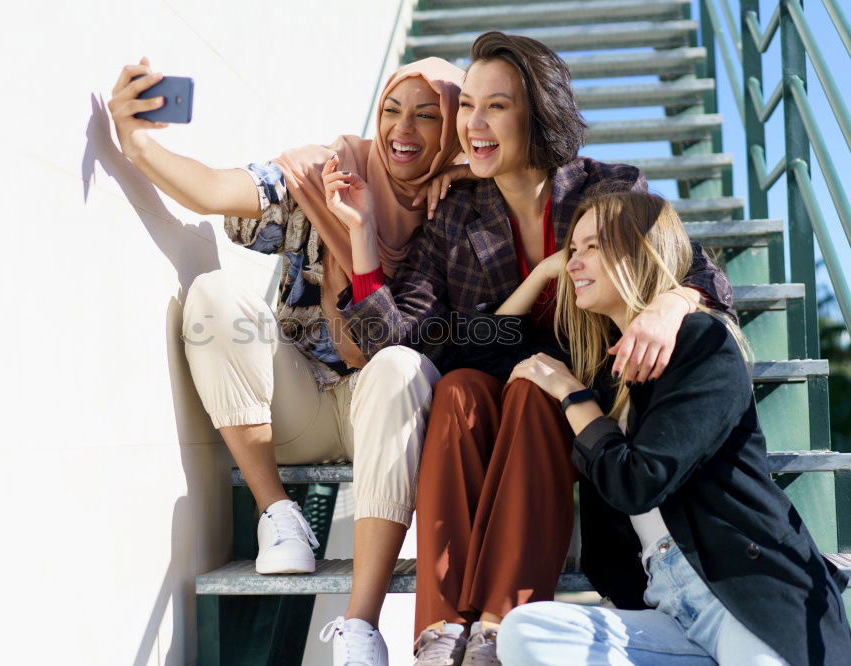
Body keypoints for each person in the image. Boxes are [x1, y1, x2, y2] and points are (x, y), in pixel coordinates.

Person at [323, 32, 734, 665]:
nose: (473, 125)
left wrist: (667, 305)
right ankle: (439, 631)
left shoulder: (606, 189)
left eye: (497, 106)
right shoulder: (457, 209)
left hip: (581, 397)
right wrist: (362, 235)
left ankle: (497, 622)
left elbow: (703, 278)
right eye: (467, 106)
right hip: (486, 386)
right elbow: (404, 340)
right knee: (457, 389)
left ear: (537, 113)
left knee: (534, 384)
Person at [107, 56, 464, 665]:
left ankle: (360, 627)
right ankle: (278, 512)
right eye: (392, 111)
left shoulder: (462, 207)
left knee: (397, 364)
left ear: (454, 130)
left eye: (429, 116)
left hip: (393, 420)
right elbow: (216, 189)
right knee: (214, 296)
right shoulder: (328, 174)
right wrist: (135, 142)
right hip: (301, 403)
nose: (404, 129)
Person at [496, 190, 851, 666]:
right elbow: (479, 351)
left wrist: (573, 398)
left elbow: (638, 482)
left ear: (641, 252)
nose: (572, 264)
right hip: (664, 607)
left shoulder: (701, 343)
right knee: (525, 633)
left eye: (593, 247)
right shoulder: (603, 370)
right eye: (570, 250)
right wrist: (540, 273)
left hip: (741, 595)